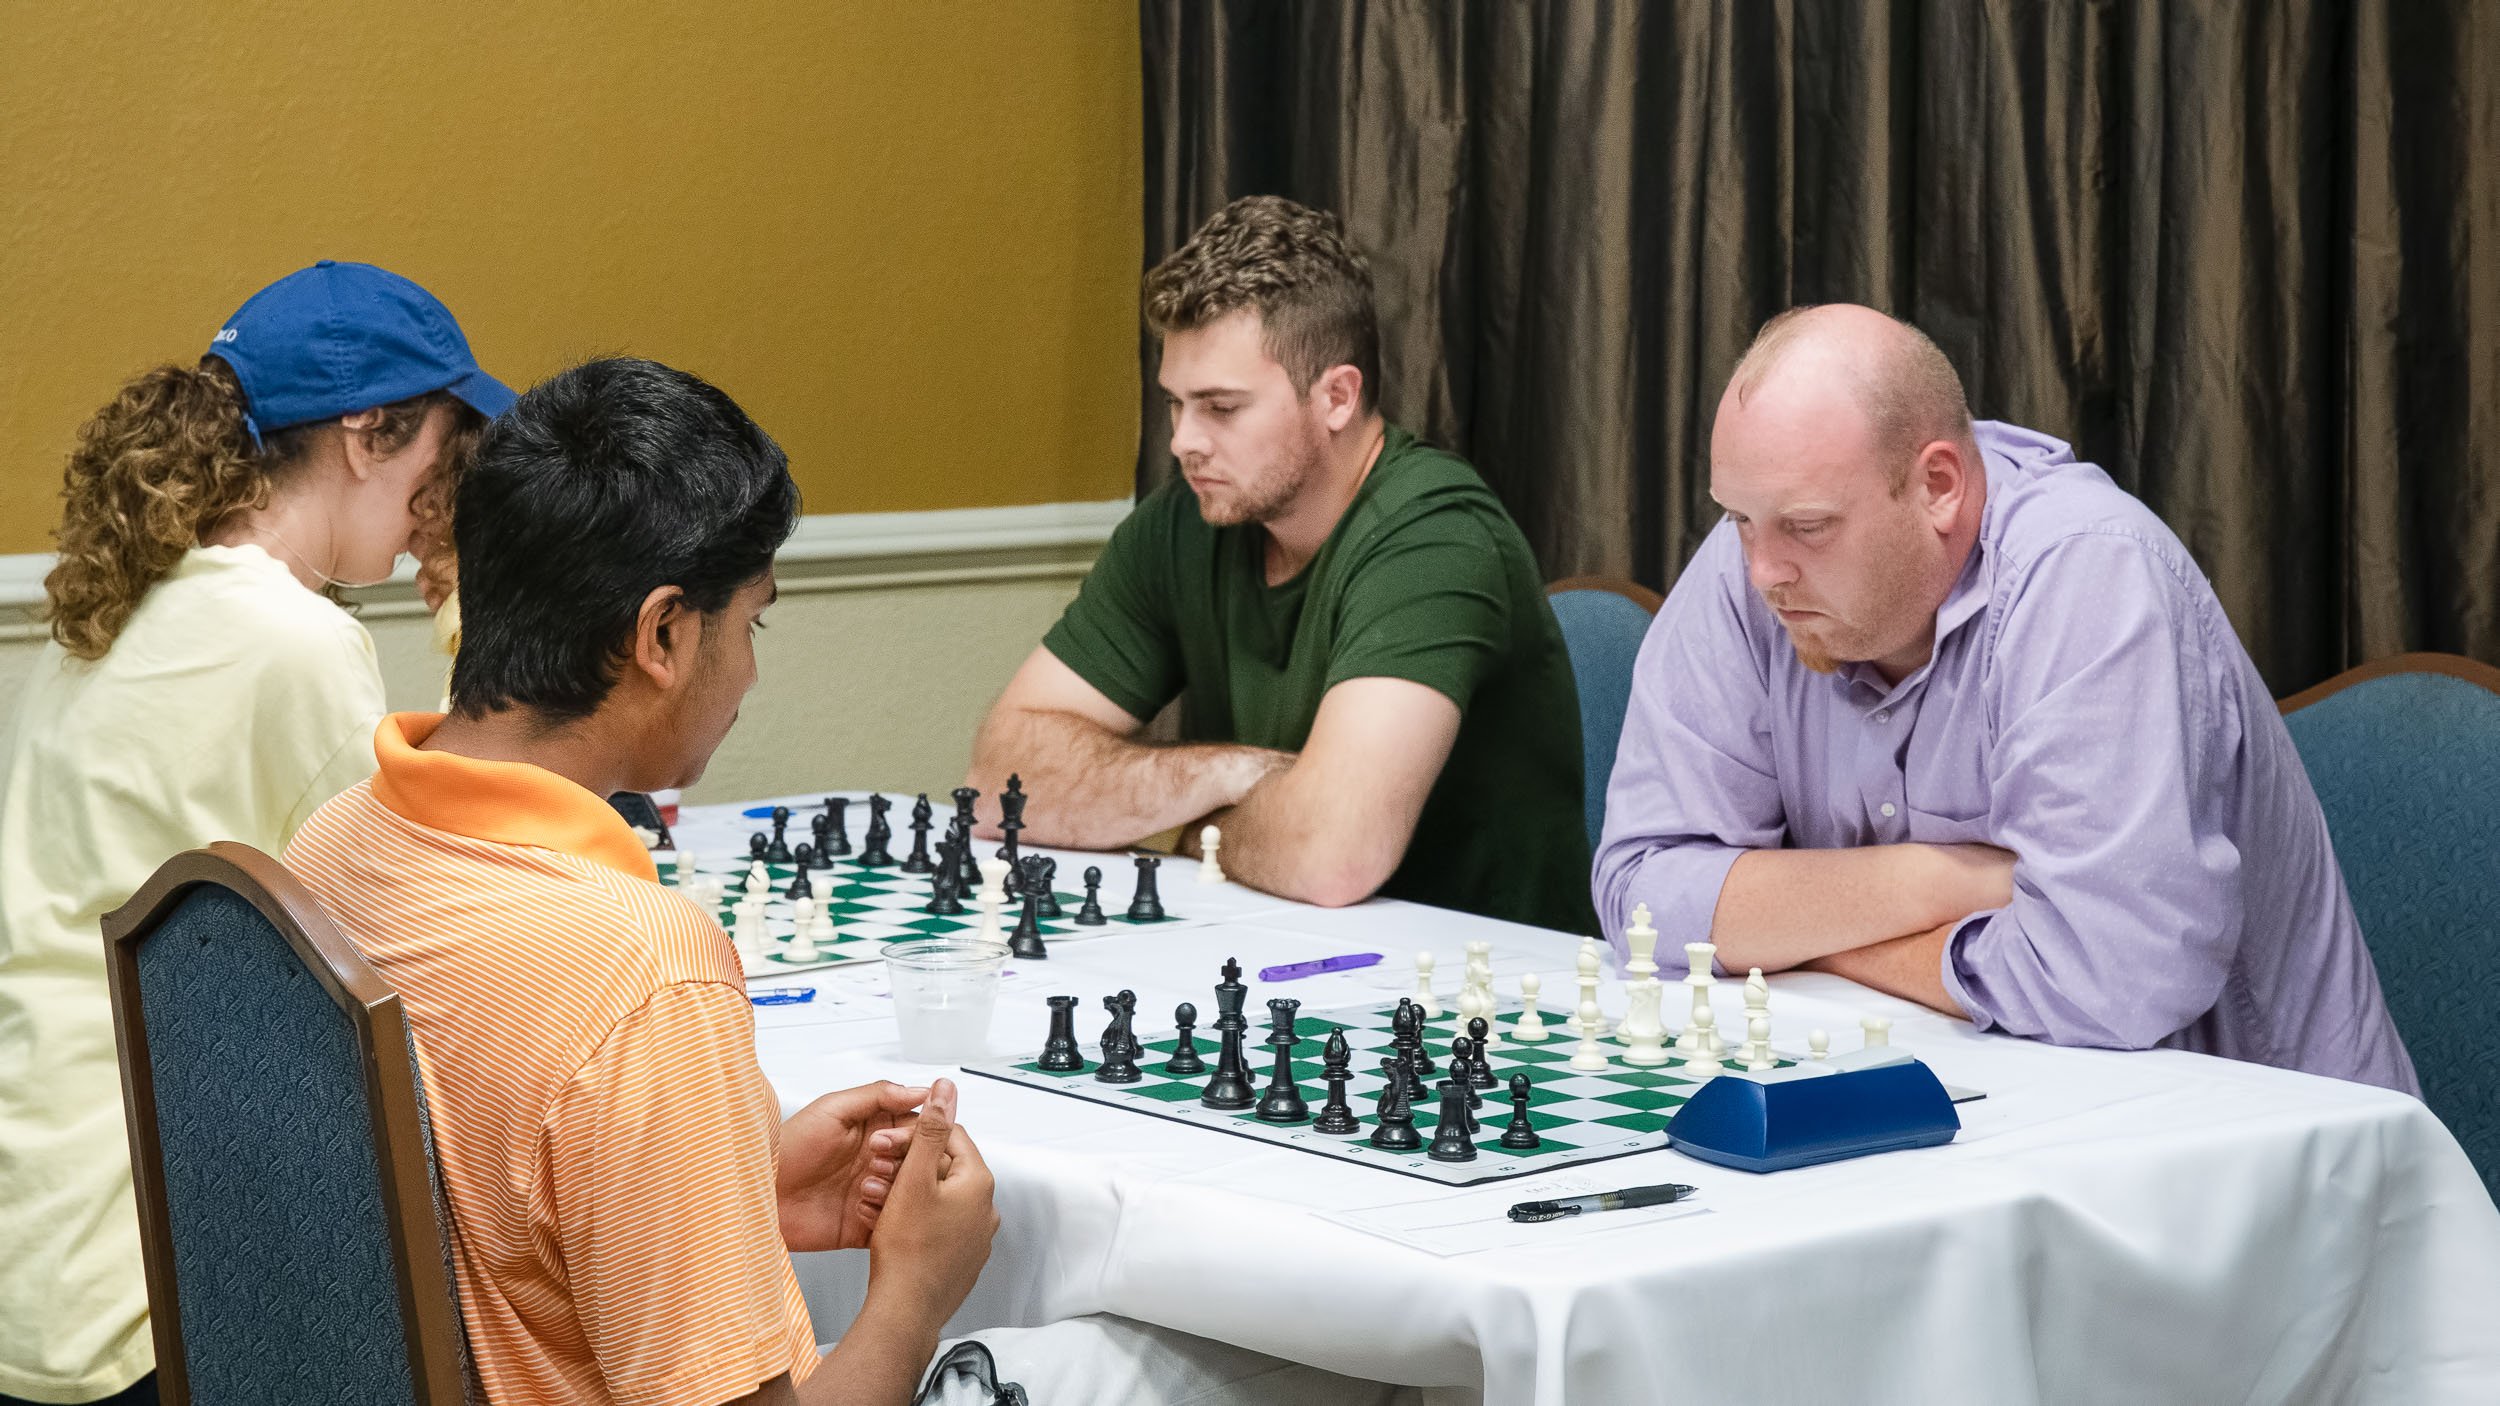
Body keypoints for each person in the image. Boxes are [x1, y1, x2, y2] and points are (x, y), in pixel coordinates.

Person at [286, 356, 1418, 1405]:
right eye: (752, 621)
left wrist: (741, 1182)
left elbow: (461, 1211)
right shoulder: (640, 974)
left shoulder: (327, 849)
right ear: (664, 636)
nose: (752, 670)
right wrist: (915, 1293)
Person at [1593, 303, 2417, 1094]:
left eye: (1808, 527)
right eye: (1739, 518)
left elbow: (2109, 980)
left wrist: (1802, 942)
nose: (1763, 569)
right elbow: (1642, 894)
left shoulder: (2087, 572)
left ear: (1939, 486)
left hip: (2256, 1156)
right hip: (1979, 1108)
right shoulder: (1757, 560)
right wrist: (1938, 883)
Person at [0, 261, 508, 1406]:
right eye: (441, 448)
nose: (446, 491)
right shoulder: (295, 638)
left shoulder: (117, 605)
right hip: (142, 1281)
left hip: (33, 1246)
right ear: (368, 434)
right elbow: (414, 927)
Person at [968, 196, 1594, 933]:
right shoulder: (1188, 521)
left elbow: (1333, 856)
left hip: (1479, 994)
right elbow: (999, 781)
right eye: (1174, 404)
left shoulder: (1435, 538)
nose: (1183, 442)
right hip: (1283, 949)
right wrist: (1226, 775)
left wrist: (1177, 827)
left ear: (1337, 396)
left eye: (1221, 408)